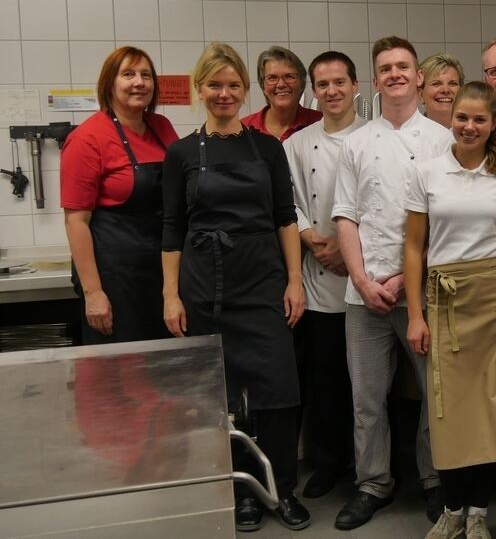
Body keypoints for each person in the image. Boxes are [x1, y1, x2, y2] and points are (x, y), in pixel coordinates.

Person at [161, 42, 309, 532]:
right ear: (200, 89)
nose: (224, 93)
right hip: (206, 283)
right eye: (214, 85)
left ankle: (283, 488)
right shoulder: (181, 152)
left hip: (262, 279)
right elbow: (171, 228)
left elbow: (286, 219)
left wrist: (294, 281)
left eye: (233, 85)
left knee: (279, 391)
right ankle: (242, 492)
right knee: (220, 398)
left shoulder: (266, 147)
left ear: (245, 91)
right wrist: (170, 294)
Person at [332, 36, 452, 530]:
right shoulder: (355, 142)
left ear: (418, 77)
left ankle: (434, 479)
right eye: (386, 69)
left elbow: (445, 219)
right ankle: (373, 483)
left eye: (404, 66)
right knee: (367, 396)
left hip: (421, 291)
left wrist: (408, 276)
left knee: (434, 394)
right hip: (365, 295)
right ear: (375, 81)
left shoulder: (443, 140)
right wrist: (362, 280)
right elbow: (345, 216)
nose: (396, 74)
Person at [403, 81, 496, 539]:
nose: (470, 127)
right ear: (450, 119)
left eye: (480, 119)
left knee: (491, 414)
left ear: (494, 123)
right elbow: (415, 249)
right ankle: (452, 509)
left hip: (495, 302)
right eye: (462, 118)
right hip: (446, 304)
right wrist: (416, 315)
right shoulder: (427, 172)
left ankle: (478, 511)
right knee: (448, 413)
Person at [283, 51, 367, 499]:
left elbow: (385, 205)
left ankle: (372, 466)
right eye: (323, 84)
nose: (332, 91)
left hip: (366, 277)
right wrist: (312, 239)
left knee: (369, 384)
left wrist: (348, 251)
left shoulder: (374, 137)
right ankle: (331, 461)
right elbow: (288, 200)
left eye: (340, 81)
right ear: (313, 91)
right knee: (327, 380)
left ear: (356, 85)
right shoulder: (297, 143)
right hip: (318, 279)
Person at [62, 46, 179, 344]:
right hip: (114, 277)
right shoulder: (88, 137)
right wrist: (94, 293)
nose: (139, 82)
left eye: (146, 75)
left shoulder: (162, 127)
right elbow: (76, 221)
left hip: (161, 271)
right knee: (122, 373)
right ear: (109, 84)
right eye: (128, 74)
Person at [242, 45, 322, 141]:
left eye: (289, 76)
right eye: (272, 78)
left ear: (301, 84)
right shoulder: (244, 130)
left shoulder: (322, 123)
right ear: (263, 87)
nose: (281, 84)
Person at [419, 53, 465, 128]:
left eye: (453, 83)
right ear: (421, 95)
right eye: (436, 84)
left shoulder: (475, 134)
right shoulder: (407, 137)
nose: (445, 90)